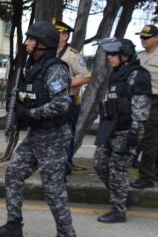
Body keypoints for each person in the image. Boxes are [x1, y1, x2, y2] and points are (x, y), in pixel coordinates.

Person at [0, 21, 78, 237]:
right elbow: (31, 96)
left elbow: (61, 104)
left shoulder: (54, 69)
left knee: (53, 187)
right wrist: (16, 105)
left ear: (42, 44)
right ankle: (13, 226)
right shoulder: (32, 67)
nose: (26, 43)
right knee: (14, 173)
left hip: (54, 136)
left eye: (30, 39)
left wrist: (30, 113)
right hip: (37, 134)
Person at [93, 38, 151, 223]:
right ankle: (123, 198)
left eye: (112, 54)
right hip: (111, 128)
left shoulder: (138, 75)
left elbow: (141, 108)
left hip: (127, 130)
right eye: (108, 54)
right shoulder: (117, 74)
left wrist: (135, 133)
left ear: (125, 55)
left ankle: (119, 210)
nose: (109, 57)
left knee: (118, 169)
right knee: (100, 164)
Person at [53, 19, 91, 175]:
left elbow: (86, 77)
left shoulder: (73, 55)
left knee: (66, 136)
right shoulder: (49, 52)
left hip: (69, 103)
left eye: (57, 33)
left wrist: (64, 85)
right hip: (52, 103)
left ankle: (65, 166)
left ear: (65, 36)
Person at [131, 24, 158, 189]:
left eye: (146, 38)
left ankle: (146, 177)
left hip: (156, 101)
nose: (143, 40)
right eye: (141, 37)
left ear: (156, 38)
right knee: (147, 138)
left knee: (148, 140)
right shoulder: (140, 57)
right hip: (142, 101)